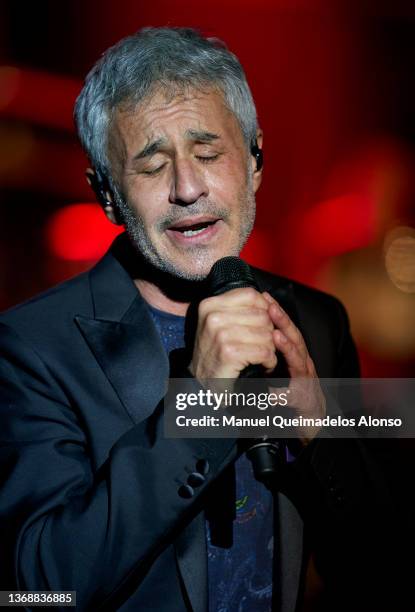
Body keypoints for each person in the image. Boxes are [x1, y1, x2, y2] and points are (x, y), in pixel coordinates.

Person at [0, 27, 411, 612]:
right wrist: (200, 404)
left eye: (209, 153)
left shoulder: (317, 323)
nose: (188, 188)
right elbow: (37, 592)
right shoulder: (32, 350)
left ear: (255, 161)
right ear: (108, 195)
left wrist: (320, 436)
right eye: (151, 165)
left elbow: (383, 574)